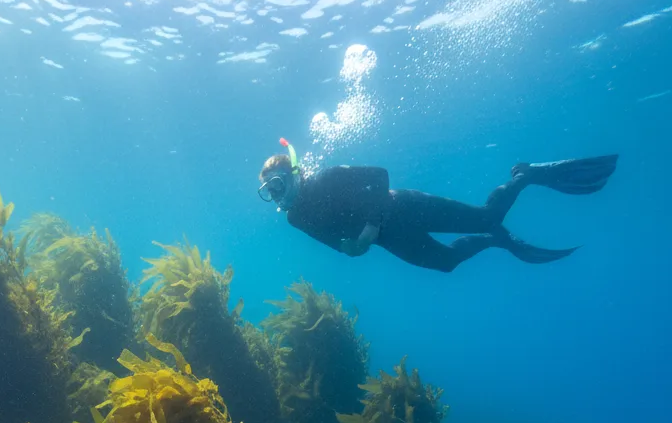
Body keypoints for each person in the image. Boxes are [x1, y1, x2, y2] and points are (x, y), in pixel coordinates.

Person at [257, 139, 618, 272]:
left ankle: (524, 175)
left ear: (294, 174)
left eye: (277, 185)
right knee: (447, 264)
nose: (276, 195)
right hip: (391, 239)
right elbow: (333, 242)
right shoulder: (295, 219)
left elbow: (381, 177)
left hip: (404, 208)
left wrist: (369, 226)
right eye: (269, 192)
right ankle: (498, 239)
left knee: (487, 216)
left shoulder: (328, 177)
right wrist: (349, 249)